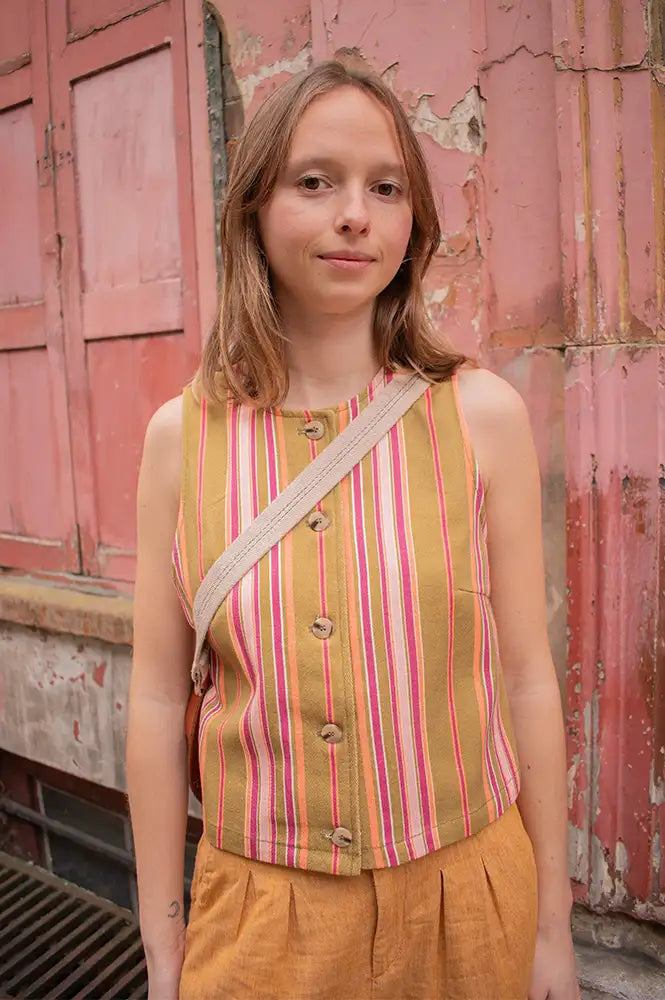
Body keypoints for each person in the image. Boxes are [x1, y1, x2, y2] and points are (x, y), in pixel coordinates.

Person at [127, 59, 580, 1000]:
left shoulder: (479, 415)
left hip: (470, 900)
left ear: (414, 221)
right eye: (314, 181)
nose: (353, 215)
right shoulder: (182, 438)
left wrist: (549, 929)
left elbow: (527, 675)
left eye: (385, 188)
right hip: (259, 923)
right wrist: (163, 949)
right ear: (253, 206)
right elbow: (155, 700)